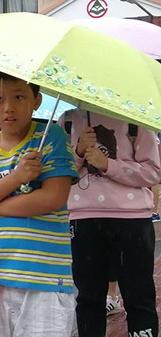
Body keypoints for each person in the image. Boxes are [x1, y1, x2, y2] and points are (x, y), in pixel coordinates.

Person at [0, 69, 78, 336]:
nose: (8, 107)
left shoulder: (51, 138)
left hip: (45, 282)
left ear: (36, 100)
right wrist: (16, 178)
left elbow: (53, 197)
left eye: (19, 97)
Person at [59, 108, 161, 337]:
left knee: (138, 297)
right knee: (88, 300)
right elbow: (57, 172)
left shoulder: (137, 120)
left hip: (132, 220)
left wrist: (108, 164)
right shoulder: (67, 120)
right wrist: (78, 151)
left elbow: (154, 172)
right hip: (84, 220)